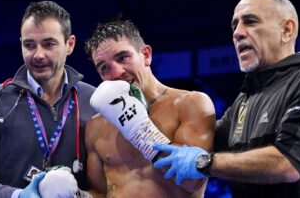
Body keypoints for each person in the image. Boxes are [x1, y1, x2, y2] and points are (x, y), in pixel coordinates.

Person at [152, 0, 300, 197]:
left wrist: (204, 162)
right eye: (234, 25)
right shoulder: (245, 100)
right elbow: (195, 139)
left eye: (250, 21)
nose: (237, 33)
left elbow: (287, 162)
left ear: (286, 30)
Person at [0, 1, 96, 198]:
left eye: (49, 44)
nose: (38, 55)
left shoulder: (93, 102)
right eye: (29, 45)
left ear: (69, 45)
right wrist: (17, 196)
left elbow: (111, 178)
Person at [84, 20, 216, 198]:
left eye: (123, 57)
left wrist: (138, 129)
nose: (116, 73)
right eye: (104, 68)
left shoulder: (190, 104)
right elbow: (99, 193)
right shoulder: (96, 125)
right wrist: (72, 194)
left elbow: (191, 181)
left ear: (146, 55)